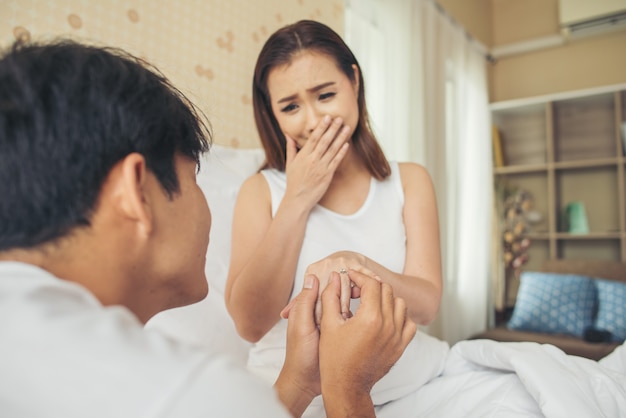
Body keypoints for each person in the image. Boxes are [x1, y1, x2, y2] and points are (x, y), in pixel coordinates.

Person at [0, 39, 417, 418]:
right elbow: (246, 333)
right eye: (195, 177)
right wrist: (347, 387)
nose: (314, 120)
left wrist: (299, 381)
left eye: (326, 94)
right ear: (136, 194)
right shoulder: (197, 392)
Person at [225, 19, 448, 417]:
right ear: (272, 114)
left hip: (413, 386)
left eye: (325, 95)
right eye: (291, 106)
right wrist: (297, 199)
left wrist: (360, 264)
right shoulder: (260, 191)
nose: (313, 121)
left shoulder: (408, 180)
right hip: (297, 400)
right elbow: (250, 324)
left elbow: (427, 304)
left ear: (354, 83)